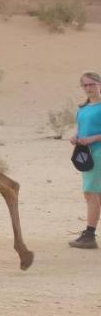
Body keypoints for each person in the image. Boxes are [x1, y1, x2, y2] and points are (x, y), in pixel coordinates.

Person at [69, 72, 101, 249]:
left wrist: (93, 139)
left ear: (100, 85)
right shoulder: (83, 108)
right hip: (86, 153)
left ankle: (89, 235)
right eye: (85, 85)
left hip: (98, 153)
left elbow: (94, 134)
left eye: (92, 84)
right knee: (95, 193)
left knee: (91, 192)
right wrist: (76, 137)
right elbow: (83, 129)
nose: (89, 88)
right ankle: (90, 232)